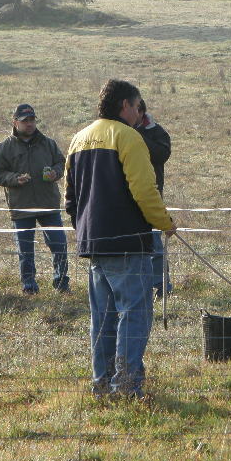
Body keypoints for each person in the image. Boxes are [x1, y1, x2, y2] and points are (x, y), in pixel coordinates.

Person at [65, 79, 176, 399]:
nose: (139, 113)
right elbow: (144, 190)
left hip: (93, 244)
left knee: (102, 319)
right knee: (134, 315)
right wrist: (165, 223)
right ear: (125, 105)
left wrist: (84, 229)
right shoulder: (129, 137)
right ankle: (127, 388)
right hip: (129, 242)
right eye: (138, 106)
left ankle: (102, 385)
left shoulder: (79, 138)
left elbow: (69, 198)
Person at [0, 103, 69, 295]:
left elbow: (61, 162)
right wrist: (14, 179)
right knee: (25, 251)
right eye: (25, 121)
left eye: (32, 120)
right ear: (15, 122)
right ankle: (29, 287)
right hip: (21, 206)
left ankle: (61, 284)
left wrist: (55, 173)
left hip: (48, 204)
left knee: (59, 245)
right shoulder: (4, 148)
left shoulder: (48, 144)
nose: (29, 124)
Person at [135, 99, 173, 299]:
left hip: (152, 195)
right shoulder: (120, 131)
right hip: (127, 197)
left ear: (141, 112)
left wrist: (137, 136)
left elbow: (161, 154)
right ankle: (140, 285)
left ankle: (162, 286)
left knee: (155, 243)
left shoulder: (157, 132)